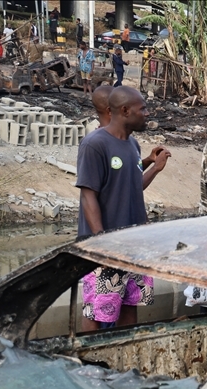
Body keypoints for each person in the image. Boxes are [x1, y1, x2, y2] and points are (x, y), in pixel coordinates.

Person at [76, 87, 155, 330]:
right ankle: (90, 363)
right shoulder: (94, 144)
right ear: (125, 111)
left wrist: (155, 167)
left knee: (131, 304)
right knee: (98, 312)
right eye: (142, 108)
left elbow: (132, 188)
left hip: (133, 246)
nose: (146, 113)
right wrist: (103, 244)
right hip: (104, 248)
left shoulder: (134, 145)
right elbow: (89, 197)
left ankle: (125, 361)